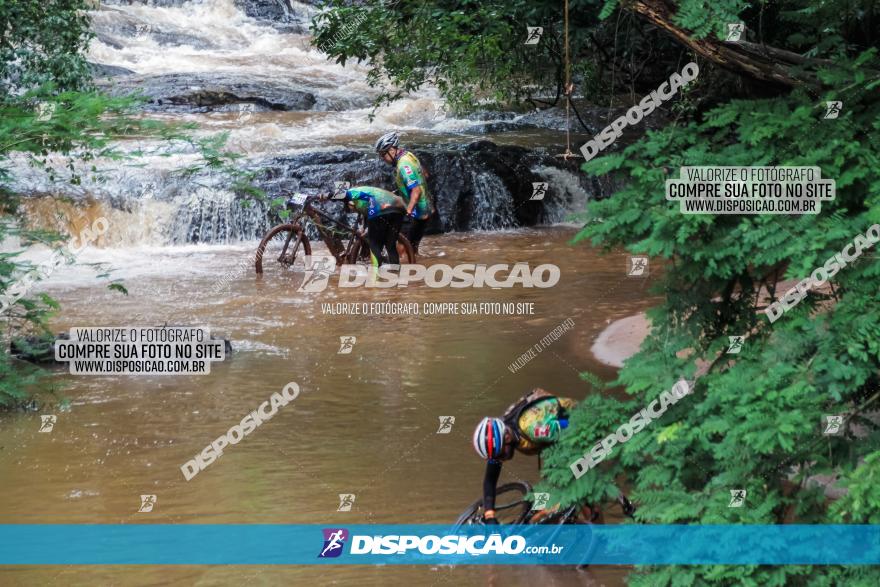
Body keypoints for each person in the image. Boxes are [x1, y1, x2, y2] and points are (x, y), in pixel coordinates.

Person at [473, 388, 577, 524]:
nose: (500, 459)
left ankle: (593, 525)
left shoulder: (535, 430)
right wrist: (489, 515)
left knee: (573, 487)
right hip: (552, 442)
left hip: (575, 424)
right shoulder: (503, 435)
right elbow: (490, 480)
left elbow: (576, 425)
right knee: (543, 506)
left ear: (508, 437)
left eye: (500, 455)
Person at [374, 131, 435, 254]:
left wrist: (408, 211)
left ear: (391, 150)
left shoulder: (403, 165)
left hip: (417, 212)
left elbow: (416, 191)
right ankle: (415, 267)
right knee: (412, 247)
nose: (382, 158)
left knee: (401, 247)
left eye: (383, 155)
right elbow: (425, 174)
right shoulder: (408, 155)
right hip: (426, 209)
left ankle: (400, 270)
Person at [342, 186, 406, 267]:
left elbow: (339, 194)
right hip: (398, 210)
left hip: (380, 211)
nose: (352, 210)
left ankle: (376, 273)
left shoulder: (352, 193)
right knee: (391, 245)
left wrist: (324, 196)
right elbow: (367, 214)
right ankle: (396, 274)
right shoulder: (369, 191)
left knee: (375, 244)